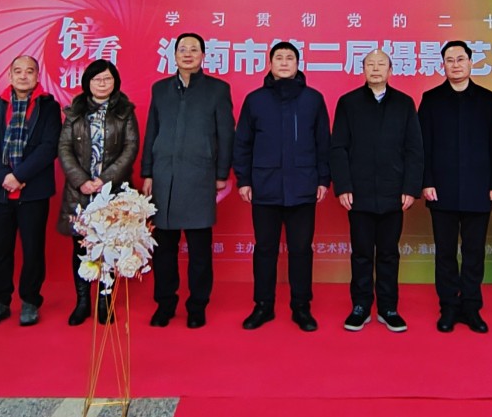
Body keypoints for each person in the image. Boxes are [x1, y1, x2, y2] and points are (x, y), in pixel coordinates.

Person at [233, 41, 330, 332]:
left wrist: (323, 179)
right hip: (265, 187)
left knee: (301, 249)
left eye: (290, 58)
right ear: (270, 63)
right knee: (265, 249)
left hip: (303, 186)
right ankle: (263, 305)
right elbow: (243, 143)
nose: (285, 62)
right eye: (279, 57)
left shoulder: (313, 99)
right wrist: (244, 180)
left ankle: (301, 307)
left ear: (298, 64)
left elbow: (323, 143)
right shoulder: (255, 100)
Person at [141, 33, 234, 329]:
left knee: (199, 251)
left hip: (199, 177)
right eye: (183, 49)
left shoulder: (217, 89)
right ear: (174, 55)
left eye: (194, 49)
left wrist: (221, 174)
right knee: (163, 249)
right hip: (163, 178)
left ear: (203, 56)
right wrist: (147, 172)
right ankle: (165, 304)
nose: (188, 54)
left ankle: (197, 306)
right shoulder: (160, 89)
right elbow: (151, 132)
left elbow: (226, 135)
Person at [330, 49, 423, 333]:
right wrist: (343, 186)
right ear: (363, 69)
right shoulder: (348, 103)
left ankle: (388, 307)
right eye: (370, 64)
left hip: (394, 193)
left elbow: (414, 149)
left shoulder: (404, 103)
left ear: (390, 70)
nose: (375, 68)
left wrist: (410, 188)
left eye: (381, 64)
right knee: (361, 253)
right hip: (358, 193)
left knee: (388, 253)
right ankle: (360, 306)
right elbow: (338, 148)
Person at [419, 40, 492, 334]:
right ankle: (448, 307)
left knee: (473, 252)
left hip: (479, 188)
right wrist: (426, 181)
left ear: (470, 62)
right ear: (443, 65)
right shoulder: (431, 99)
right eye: (449, 60)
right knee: (445, 253)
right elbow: (422, 145)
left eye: (460, 59)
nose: (455, 65)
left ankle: (471, 306)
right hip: (440, 188)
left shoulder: (487, 99)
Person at [0, 55, 61, 328]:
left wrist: (19, 176)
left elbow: (49, 146)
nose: (24, 76)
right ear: (10, 76)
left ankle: (30, 300)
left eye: (29, 71)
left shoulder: (49, 107)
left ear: (37, 76)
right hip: (0, 190)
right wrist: (4, 176)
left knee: (33, 249)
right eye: (18, 71)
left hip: (32, 191)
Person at [57, 59, 138, 326]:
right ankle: (82, 302)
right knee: (81, 246)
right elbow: (64, 148)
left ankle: (105, 302)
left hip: (112, 191)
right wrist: (81, 180)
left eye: (107, 78)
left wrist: (104, 180)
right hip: (79, 192)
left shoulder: (125, 111)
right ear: (87, 83)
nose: (102, 83)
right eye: (96, 79)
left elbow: (130, 148)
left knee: (109, 246)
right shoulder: (75, 111)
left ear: (115, 82)